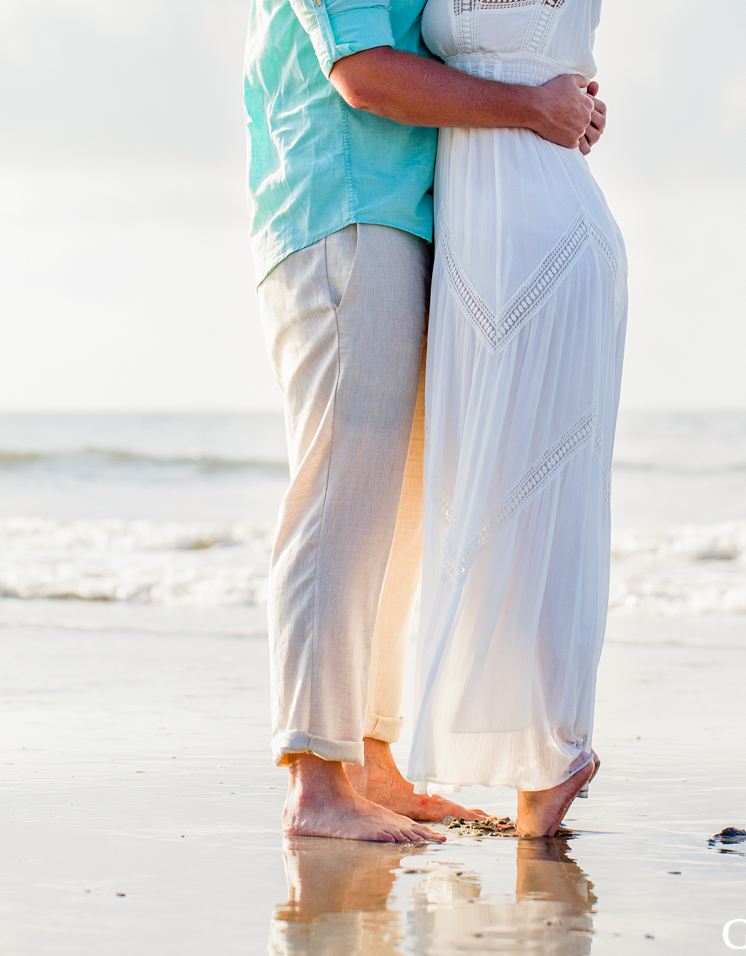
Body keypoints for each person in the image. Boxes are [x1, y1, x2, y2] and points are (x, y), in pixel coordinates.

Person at [246, 0, 606, 843]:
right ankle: (313, 784)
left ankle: (370, 761)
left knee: (398, 515)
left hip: (410, 223)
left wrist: (552, 99)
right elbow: (364, 76)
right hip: (341, 215)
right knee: (340, 501)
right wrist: (529, 107)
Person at [408, 0, 625, 837]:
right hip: (471, 245)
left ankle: (559, 750)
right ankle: (543, 751)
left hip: (550, 232)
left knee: (545, 496)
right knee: (488, 491)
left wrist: (565, 104)